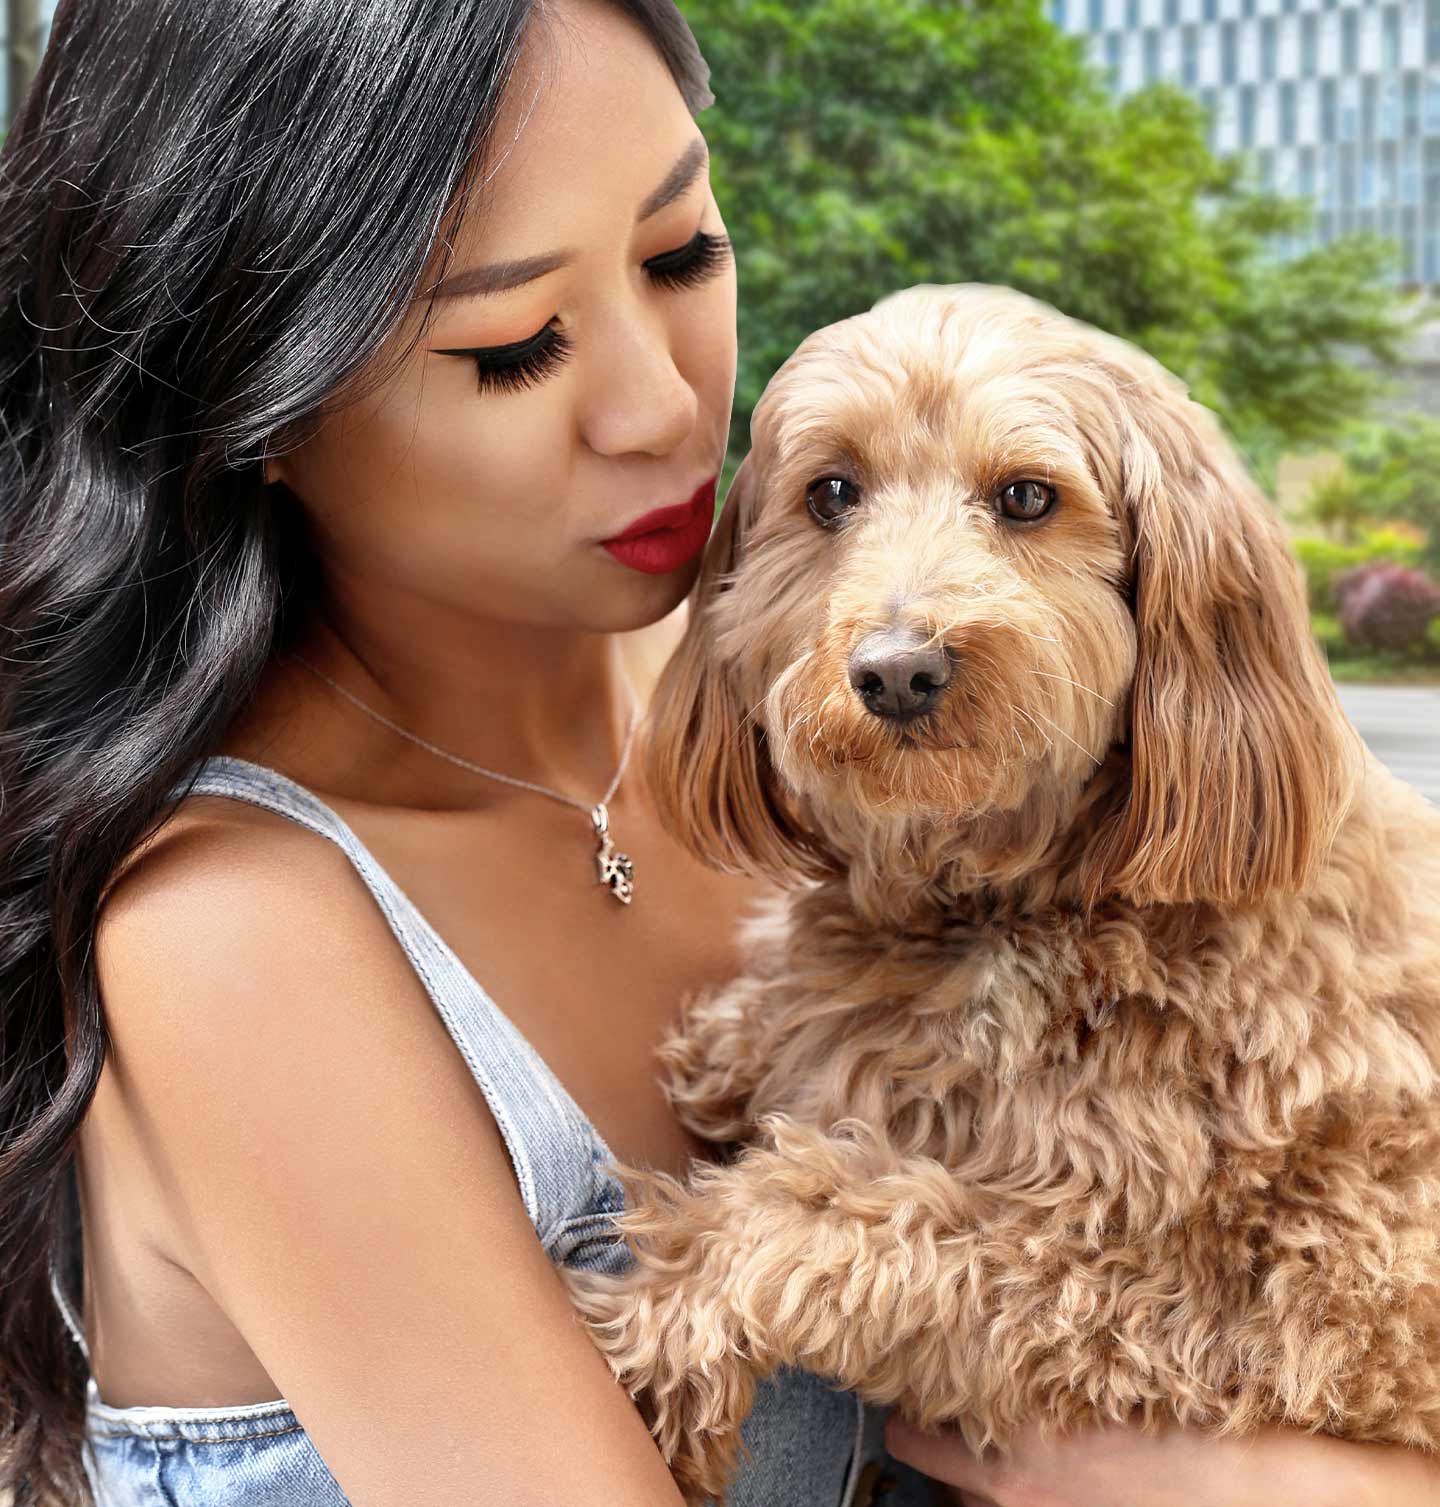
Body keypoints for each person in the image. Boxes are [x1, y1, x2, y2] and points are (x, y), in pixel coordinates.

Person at [0, 1, 1436, 1504]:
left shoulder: (804, 719)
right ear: (259, 403)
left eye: (683, 252)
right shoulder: (236, 935)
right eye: (514, 344)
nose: (667, 408)